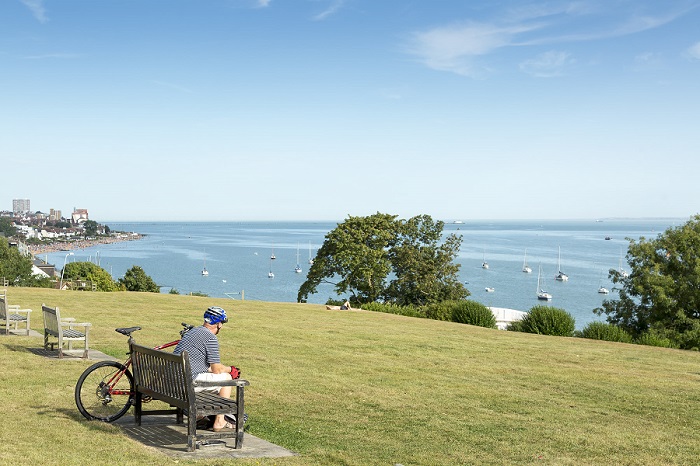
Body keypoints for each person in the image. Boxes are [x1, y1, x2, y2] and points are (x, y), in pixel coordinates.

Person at [173, 306, 240, 432]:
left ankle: (199, 416)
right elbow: (216, 369)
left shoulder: (193, 332)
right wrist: (230, 369)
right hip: (185, 385)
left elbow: (200, 365)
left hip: (172, 383)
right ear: (219, 324)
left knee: (214, 379)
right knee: (226, 379)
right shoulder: (210, 337)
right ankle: (220, 420)